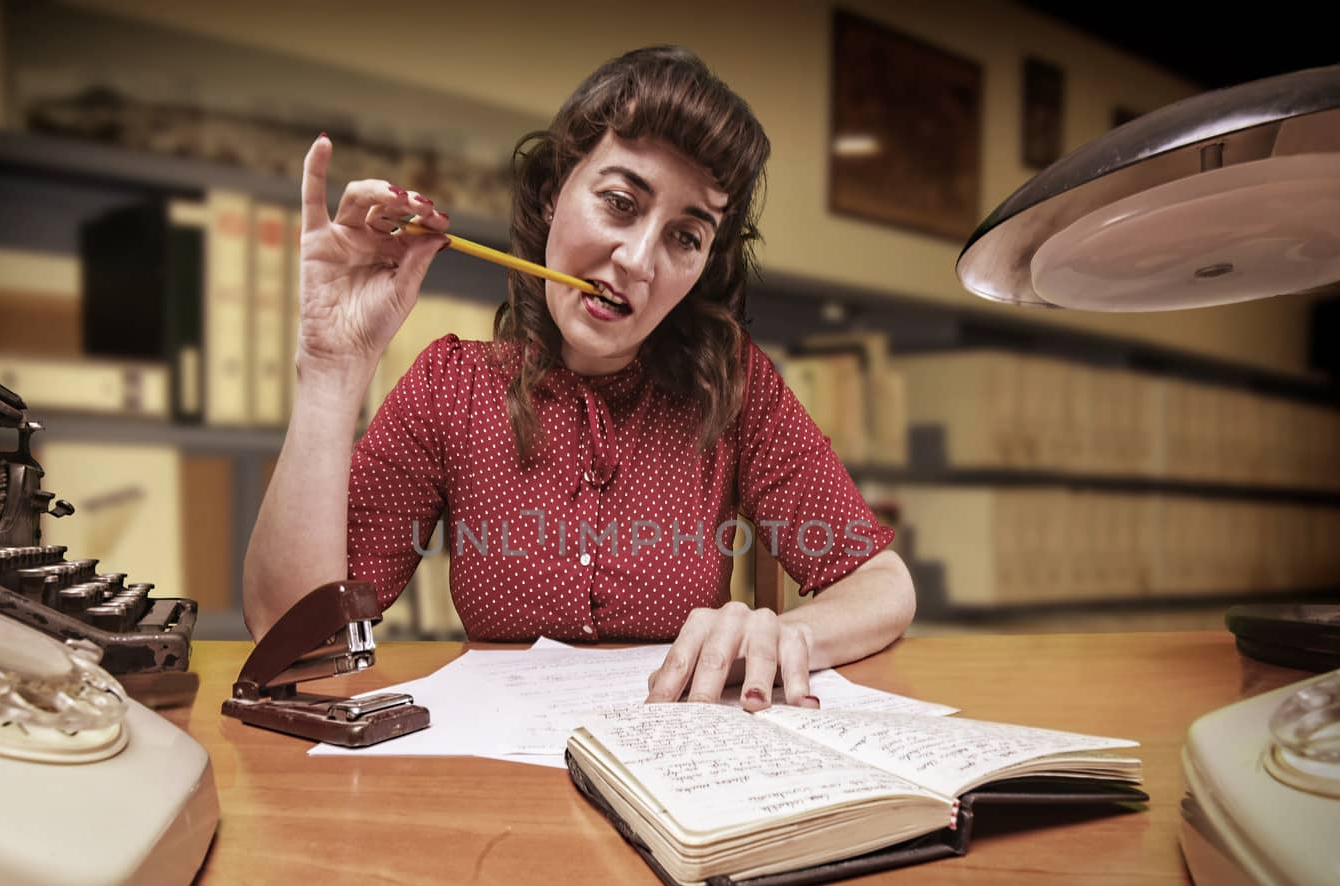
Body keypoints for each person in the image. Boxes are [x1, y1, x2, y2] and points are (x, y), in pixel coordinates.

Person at [243, 45, 915, 710]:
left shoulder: (733, 384)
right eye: (621, 202)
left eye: (686, 237)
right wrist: (330, 372)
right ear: (551, 193)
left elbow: (884, 586)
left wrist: (780, 632)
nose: (640, 260)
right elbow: (291, 635)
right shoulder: (452, 385)